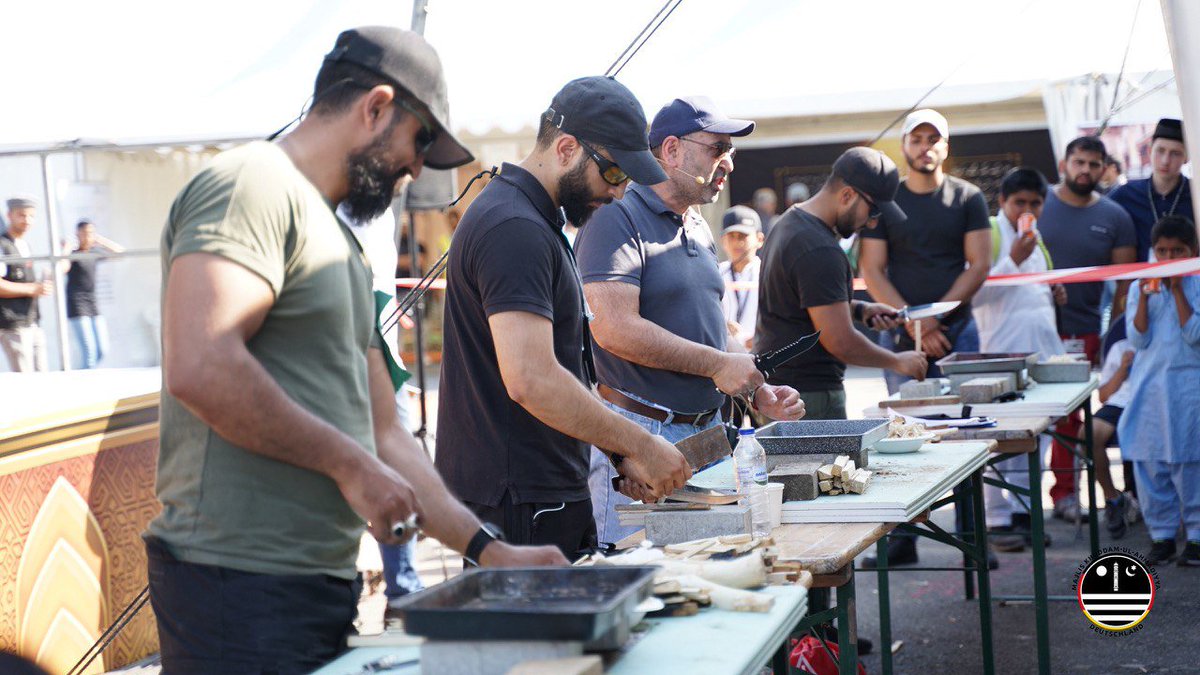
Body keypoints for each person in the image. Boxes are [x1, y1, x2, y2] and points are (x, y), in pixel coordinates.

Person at [147, 27, 565, 673]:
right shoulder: (250, 185)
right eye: (419, 138)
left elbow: (384, 433)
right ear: (375, 106)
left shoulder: (339, 242)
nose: (418, 167)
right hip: (235, 585)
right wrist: (349, 465)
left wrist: (489, 550)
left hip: (313, 585)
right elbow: (201, 366)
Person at [436, 77, 693, 560]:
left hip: (538, 491)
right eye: (614, 173)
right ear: (567, 148)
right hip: (520, 499)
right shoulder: (514, 227)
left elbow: (565, 369)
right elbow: (531, 379)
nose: (618, 194)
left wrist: (619, 453)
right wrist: (642, 443)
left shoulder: (533, 219)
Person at [575, 96, 804, 543]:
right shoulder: (615, 217)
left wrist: (757, 389)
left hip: (708, 434)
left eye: (730, 152)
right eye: (718, 149)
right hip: (641, 437)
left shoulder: (697, 223)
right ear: (672, 150)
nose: (729, 164)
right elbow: (613, 328)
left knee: (707, 574)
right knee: (646, 585)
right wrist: (718, 366)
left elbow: (714, 330)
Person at [757, 147, 926, 423]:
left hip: (786, 390)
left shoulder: (790, 222)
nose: (872, 223)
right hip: (808, 396)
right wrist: (897, 361)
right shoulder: (819, 248)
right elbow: (840, 342)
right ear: (847, 195)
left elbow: (799, 302)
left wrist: (859, 309)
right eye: (873, 211)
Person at [1037, 136, 1137, 523]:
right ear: (1064, 164)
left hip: (1083, 330)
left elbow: (1126, 284)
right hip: (1029, 330)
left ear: (1104, 168)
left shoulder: (1115, 216)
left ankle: (1064, 495)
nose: (1086, 171)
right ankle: (1014, 505)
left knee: (1069, 416)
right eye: (1079, 162)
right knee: (1022, 415)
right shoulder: (1036, 203)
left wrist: (1112, 336)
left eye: (1094, 165)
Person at [859, 109, 992, 395]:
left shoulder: (968, 197)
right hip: (899, 335)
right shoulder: (884, 201)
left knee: (967, 425)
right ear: (904, 144)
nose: (925, 147)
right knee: (908, 424)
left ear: (946, 146)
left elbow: (980, 265)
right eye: (916, 139)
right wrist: (914, 320)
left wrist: (935, 319)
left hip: (956, 329)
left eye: (933, 140)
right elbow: (871, 269)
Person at [971, 168, 1066, 552]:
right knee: (999, 436)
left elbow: (1034, 294)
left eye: (1035, 203)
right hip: (1000, 351)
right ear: (1003, 203)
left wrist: (1054, 291)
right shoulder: (990, 235)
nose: (1026, 209)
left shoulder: (1037, 237)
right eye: (1019, 203)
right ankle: (997, 519)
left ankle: (1028, 512)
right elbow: (974, 295)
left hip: (1041, 351)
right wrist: (1011, 260)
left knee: (1036, 436)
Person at [338, 203, 425, 604]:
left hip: (384, 358)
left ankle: (403, 584)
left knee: (399, 470)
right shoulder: (331, 213)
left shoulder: (382, 211)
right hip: (344, 366)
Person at [1118, 215, 1200, 566]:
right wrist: (1142, 296)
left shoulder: (1195, 282)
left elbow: (1195, 335)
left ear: (1192, 251)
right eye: (1162, 251)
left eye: (1177, 251)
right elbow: (1137, 338)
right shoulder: (1142, 285)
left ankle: (1196, 537)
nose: (1168, 259)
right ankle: (1162, 536)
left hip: (1187, 389)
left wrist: (1178, 289)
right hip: (1149, 388)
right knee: (1151, 464)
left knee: (1191, 464)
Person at [1109, 119, 1192, 264]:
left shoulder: (1195, 193)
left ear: (1186, 158)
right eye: (1160, 151)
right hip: (1140, 282)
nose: (1165, 160)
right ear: (1149, 151)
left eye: (1175, 153)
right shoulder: (1126, 194)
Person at [1091, 311, 1138, 539]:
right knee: (1089, 434)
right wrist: (1123, 369)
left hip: (1152, 402)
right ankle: (1113, 499)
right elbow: (1103, 395)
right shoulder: (1120, 346)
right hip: (1119, 402)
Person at [0, 198, 52, 372]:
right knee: (26, 382)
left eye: (31, 216)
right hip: (13, 323)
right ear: (9, 215)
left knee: (42, 377)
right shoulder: (2, 246)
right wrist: (33, 289)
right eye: (21, 215)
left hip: (32, 320)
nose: (27, 220)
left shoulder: (24, 245)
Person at [66, 219, 124, 369]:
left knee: (102, 350)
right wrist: (66, 248)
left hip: (92, 303)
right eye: (84, 233)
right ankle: (86, 381)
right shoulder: (72, 255)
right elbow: (61, 267)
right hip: (77, 304)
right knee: (89, 351)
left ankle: (84, 375)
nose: (87, 236)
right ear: (77, 234)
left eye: (90, 233)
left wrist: (99, 240)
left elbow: (119, 253)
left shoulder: (94, 253)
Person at [719, 205, 764, 350]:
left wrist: (742, 340)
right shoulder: (715, 274)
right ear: (722, 241)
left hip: (763, 356)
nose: (737, 242)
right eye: (731, 236)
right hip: (724, 359)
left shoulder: (768, 274)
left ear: (759, 239)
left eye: (743, 236)